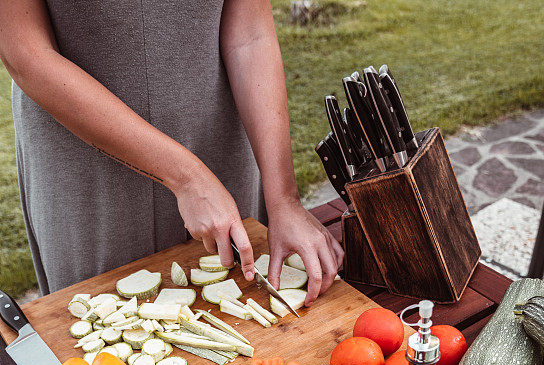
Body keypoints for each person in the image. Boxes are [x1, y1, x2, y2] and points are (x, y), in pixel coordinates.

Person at [0, 0, 343, 302]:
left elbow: (250, 35)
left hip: (218, 146)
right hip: (86, 169)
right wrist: (188, 178)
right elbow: (25, 52)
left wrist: (284, 200)